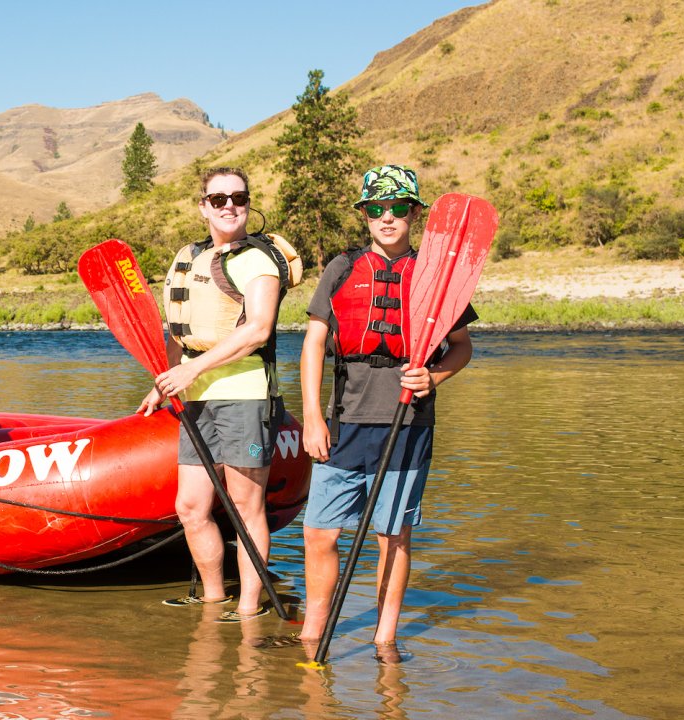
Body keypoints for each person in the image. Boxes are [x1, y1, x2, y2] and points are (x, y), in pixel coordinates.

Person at [297, 164, 476, 658]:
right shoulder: (341, 267)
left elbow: (461, 347)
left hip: (408, 425)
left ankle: (385, 640)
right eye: (377, 209)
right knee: (318, 531)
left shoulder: (437, 278)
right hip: (345, 422)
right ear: (365, 215)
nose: (388, 217)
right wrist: (312, 416)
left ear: (415, 213)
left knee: (392, 535)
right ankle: (313, 632)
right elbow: (313, 344)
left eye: (399, 207)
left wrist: (434, 376)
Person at [140, 166, 293, 623]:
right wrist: (165, 378)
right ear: (203, 205)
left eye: (239, 198)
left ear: (248, 204)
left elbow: (258, 329)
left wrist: (194, 369)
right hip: (196, 394)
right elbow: (177, 328)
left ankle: (248, 607)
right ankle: (212, 598)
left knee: (246, 505)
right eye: (219, 198)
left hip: (245, 394)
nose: (230, 205)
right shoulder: (186, 256)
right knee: (190, 506)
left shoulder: (257, 260)